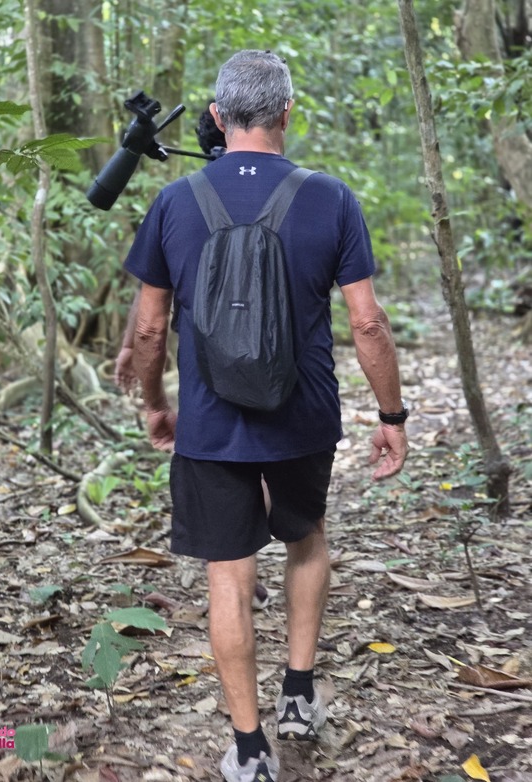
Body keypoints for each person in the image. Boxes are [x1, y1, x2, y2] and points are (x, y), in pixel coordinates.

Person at [124, 50, 409, 782]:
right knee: (307, 537)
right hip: (303, 412)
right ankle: (299, 694)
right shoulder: (331, 198)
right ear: (288, 114)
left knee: (229, 570)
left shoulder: (176, 201)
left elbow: (150, 329)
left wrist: (159, 404)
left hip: (212, 423)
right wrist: (392, 413)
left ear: (217, 118)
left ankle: (250, 748)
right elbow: (368, 325)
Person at [114, 104, 226, 393]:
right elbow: (362, 322)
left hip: (204, 396)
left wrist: (154, 403)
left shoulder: (176, 202)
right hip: (296, 404)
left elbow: (150, 321)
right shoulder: (314, 197)